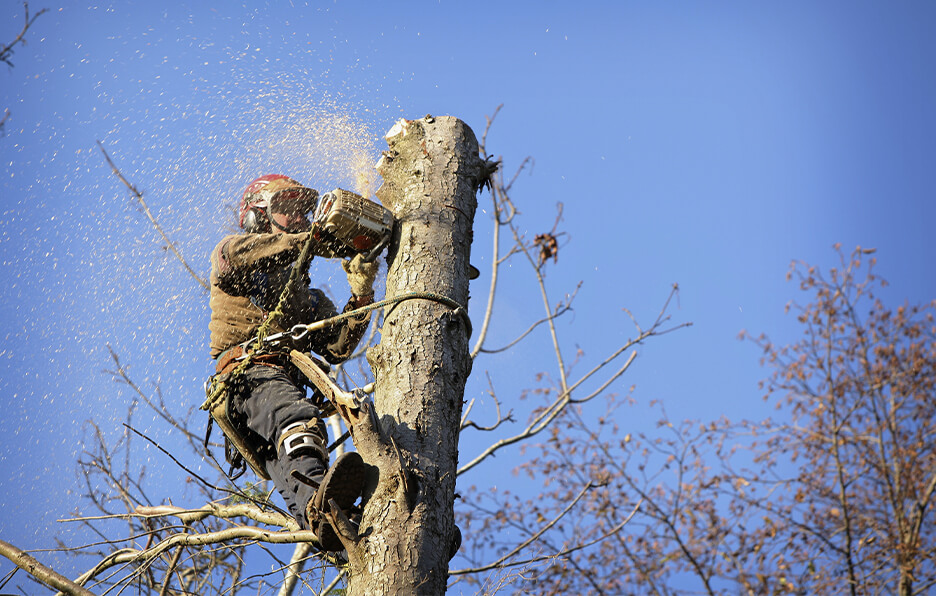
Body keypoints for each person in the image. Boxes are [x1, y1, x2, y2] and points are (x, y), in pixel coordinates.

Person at [208, 174, 378, 550]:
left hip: (271, 395)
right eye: (288, 209)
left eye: (304, 211)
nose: (299, 217)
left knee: (293, 468)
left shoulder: (305, 298)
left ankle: (332, 522)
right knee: (299, 420)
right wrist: (319, 237)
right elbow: (267, 251)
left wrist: (362, 293)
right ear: (256, 215)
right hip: (249, 378)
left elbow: (337, 345)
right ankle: (326, 504)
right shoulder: (234, 250)